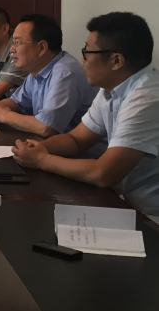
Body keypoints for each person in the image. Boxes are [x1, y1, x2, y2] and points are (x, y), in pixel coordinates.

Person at [13, 13, 159, 216]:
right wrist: (39, 148)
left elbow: (104, 173)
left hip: (151, 216)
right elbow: (76, 140)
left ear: (116, 60)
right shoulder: (110, 89)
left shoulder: (147, 99)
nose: (82, 59)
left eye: (87, 52)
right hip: (124, 201)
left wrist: (42, 160)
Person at [0, 14, 97, 137]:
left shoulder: (65, 73)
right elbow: (17, 102)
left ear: (41, 47)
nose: (12, 49)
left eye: (17, 42)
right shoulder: (38, 69)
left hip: (79, 148)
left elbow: (46, 127)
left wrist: (3, 115)